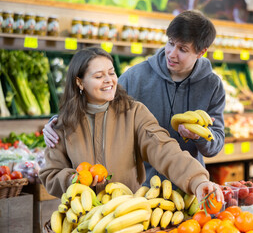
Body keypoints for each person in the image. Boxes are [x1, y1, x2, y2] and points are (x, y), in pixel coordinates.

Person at [43, 10, 226, 188]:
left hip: (188, 184)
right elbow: (99, 103)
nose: (171, 53)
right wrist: (59, 123)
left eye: (182, 49)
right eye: (170, 43)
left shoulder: (212, 86)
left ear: (201, 52)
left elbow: (214, 145)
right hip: (143, 187)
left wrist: (200, 138)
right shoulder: (136, 76)